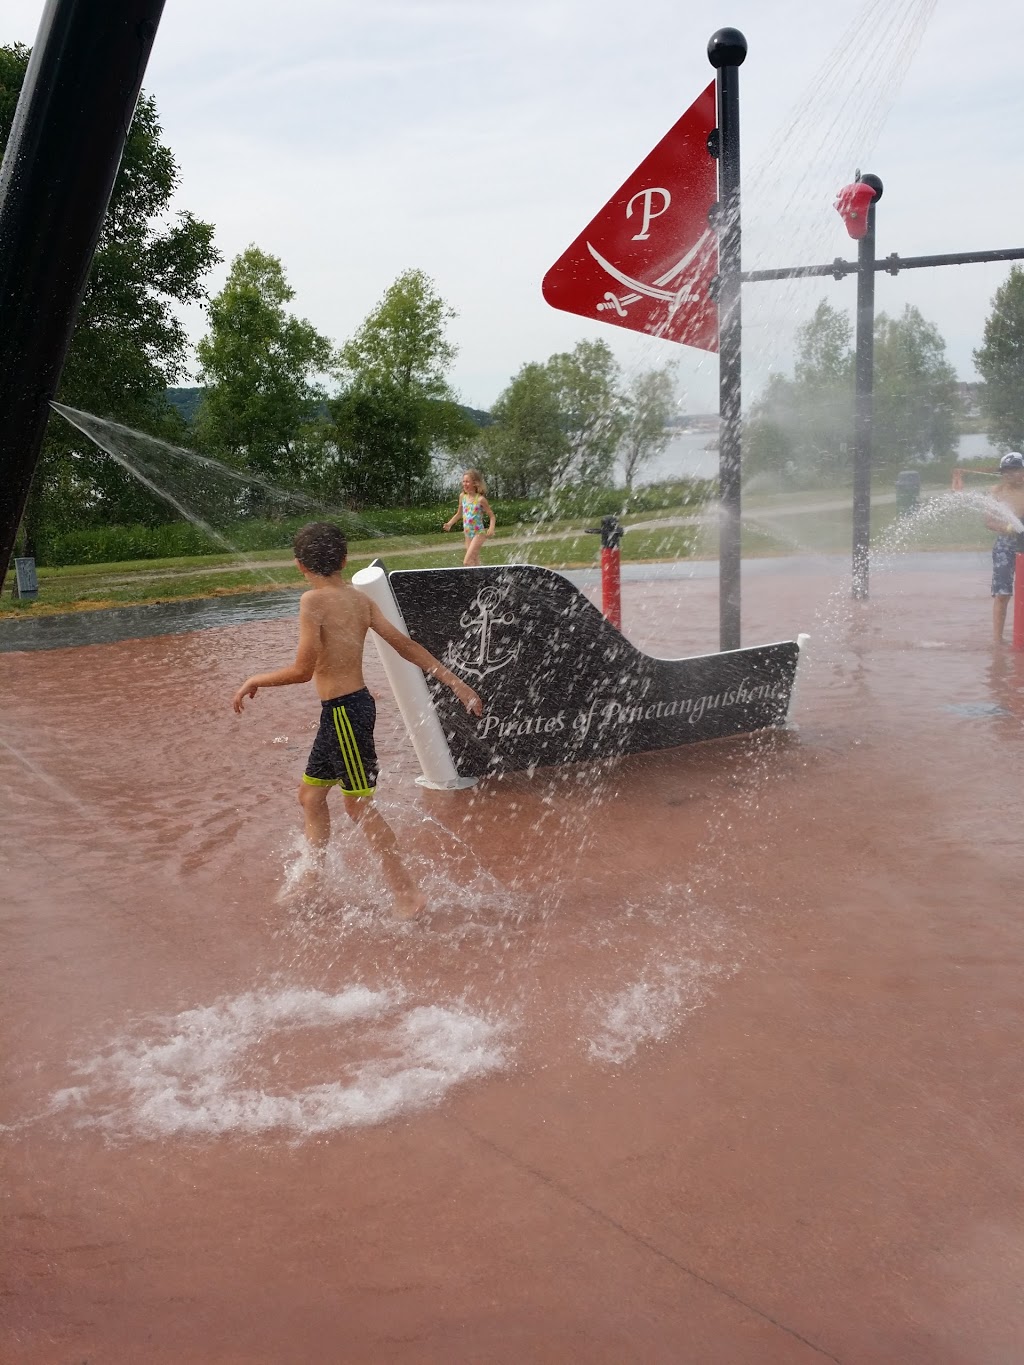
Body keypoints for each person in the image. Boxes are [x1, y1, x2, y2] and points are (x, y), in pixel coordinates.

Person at [231, 522, 483, 920]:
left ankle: (407, 893)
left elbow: (302, 669)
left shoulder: (312, 602)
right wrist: (457, 684)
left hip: (346, 712)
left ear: (299, 566)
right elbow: (405, 645)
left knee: (358, 806)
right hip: (348, 711)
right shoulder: (358, 599)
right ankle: (312, 877)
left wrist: (254, 679)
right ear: (344, 560)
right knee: (311, 797)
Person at [983, 451, 1024, 645]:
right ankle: (998, 640)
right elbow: (989, 521)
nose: (1010, 474)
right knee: (1002, 593)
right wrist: (1007, 527)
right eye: (1006, 471)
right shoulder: (997, 491)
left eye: (1014, 469)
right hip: (1005, 545)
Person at [443, 469, 495, 566]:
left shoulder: (480, 499)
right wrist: (450, 523)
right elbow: (459, 514)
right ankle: (480, 579)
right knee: (474, 561)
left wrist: (491, 528)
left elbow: (492, 516)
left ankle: (479, 579)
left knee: (467, 562)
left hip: (478, 533)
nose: (464, 484)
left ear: (475, 483)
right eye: (463, 481)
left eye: (467, 481)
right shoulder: (462, 497)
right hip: (468, 533)